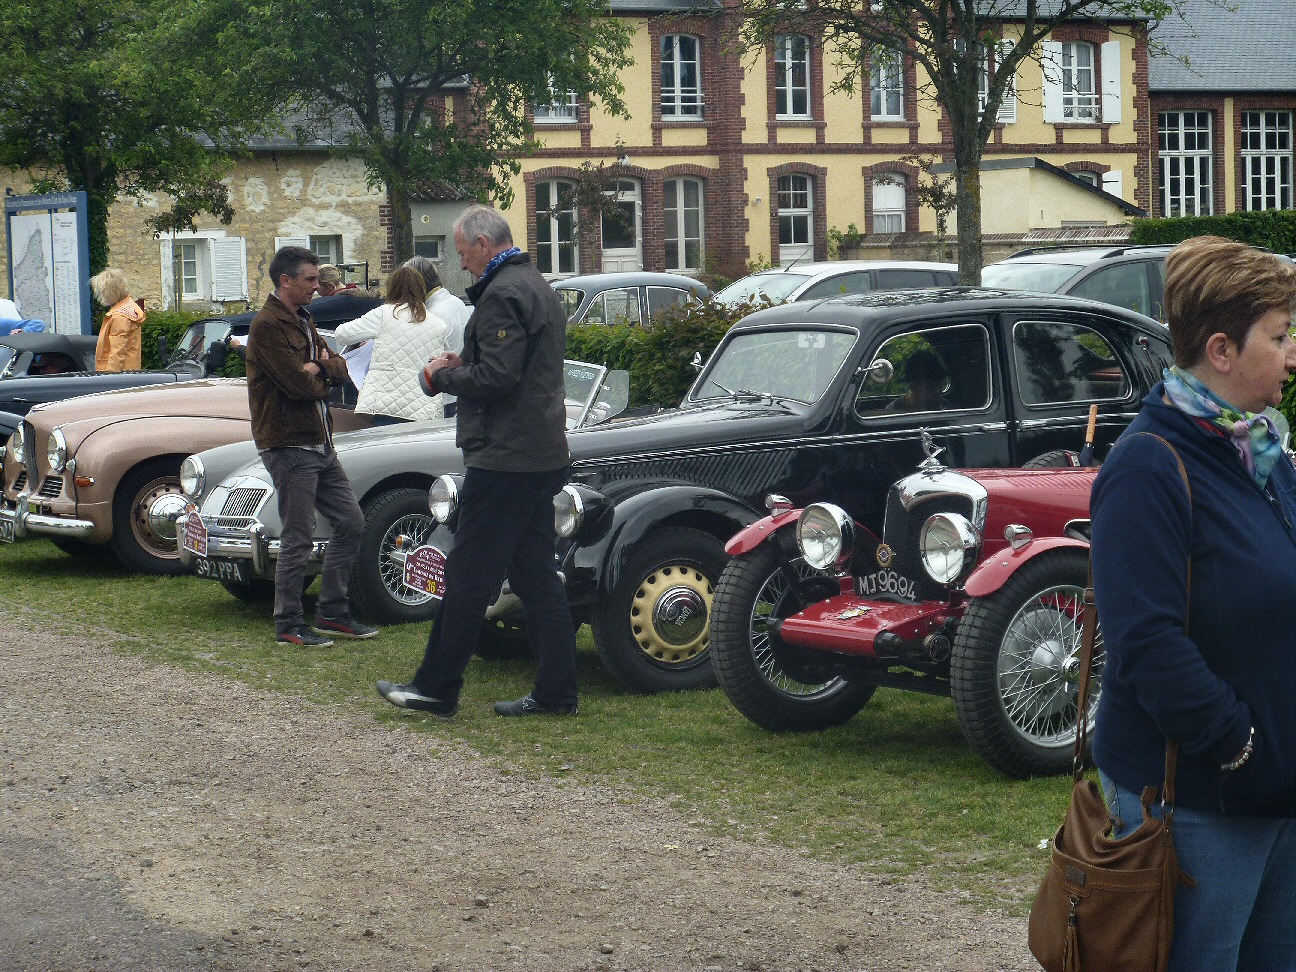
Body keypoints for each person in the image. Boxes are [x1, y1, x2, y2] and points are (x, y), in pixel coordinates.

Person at [1089, 235, 1296, 972]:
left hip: (1277, 799)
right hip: (1198, 807)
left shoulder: (1263, 457)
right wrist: (1238, 744)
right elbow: (1145, 644)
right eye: (1279, 337)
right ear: (1221, 350)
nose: (1293, 354)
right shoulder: (1149, 465)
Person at [376, 204, 578, 718]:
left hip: (507, 458)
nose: (462, 264)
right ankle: (557, 693)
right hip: (540, 452)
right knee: (536, 577)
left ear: (484, 245)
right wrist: (463, 362)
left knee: (467, 574)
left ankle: (437, 687)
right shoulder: (534, 285)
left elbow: (498, 379)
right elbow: (517, 366)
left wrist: (438, 377)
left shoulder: (503, 293)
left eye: (464, 253)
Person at [246, 245, 379, 648]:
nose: (318, 287)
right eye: (309, 280)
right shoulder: (268, 325)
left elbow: (338, 368)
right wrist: (321, 368)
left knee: (352, 522)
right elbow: (296, 384)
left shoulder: (303, 319)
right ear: (285, 281)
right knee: (298, 535)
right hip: (288, 443)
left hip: (320, 441)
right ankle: (288, 621)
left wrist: (320, 366)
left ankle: (332, 612)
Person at [331, 266, 453, 424]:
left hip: (386, 403)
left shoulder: (384, 314)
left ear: (392, 288)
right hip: (423, 409)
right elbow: (445, 361)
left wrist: (371, 338)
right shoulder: (438, 324)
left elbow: (341, 334)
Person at [404, 254, 471, 415]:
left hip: (441, 399)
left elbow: (422, 361)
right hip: (457, 394)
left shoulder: (432, 314)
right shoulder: (456, 303)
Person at [90, 268, 146, 372]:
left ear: (108, 292)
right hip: (130, 371)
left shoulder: (119, 317)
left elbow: (117, 353)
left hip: (119, 376)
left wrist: (111, 378)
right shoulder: (129, 308)